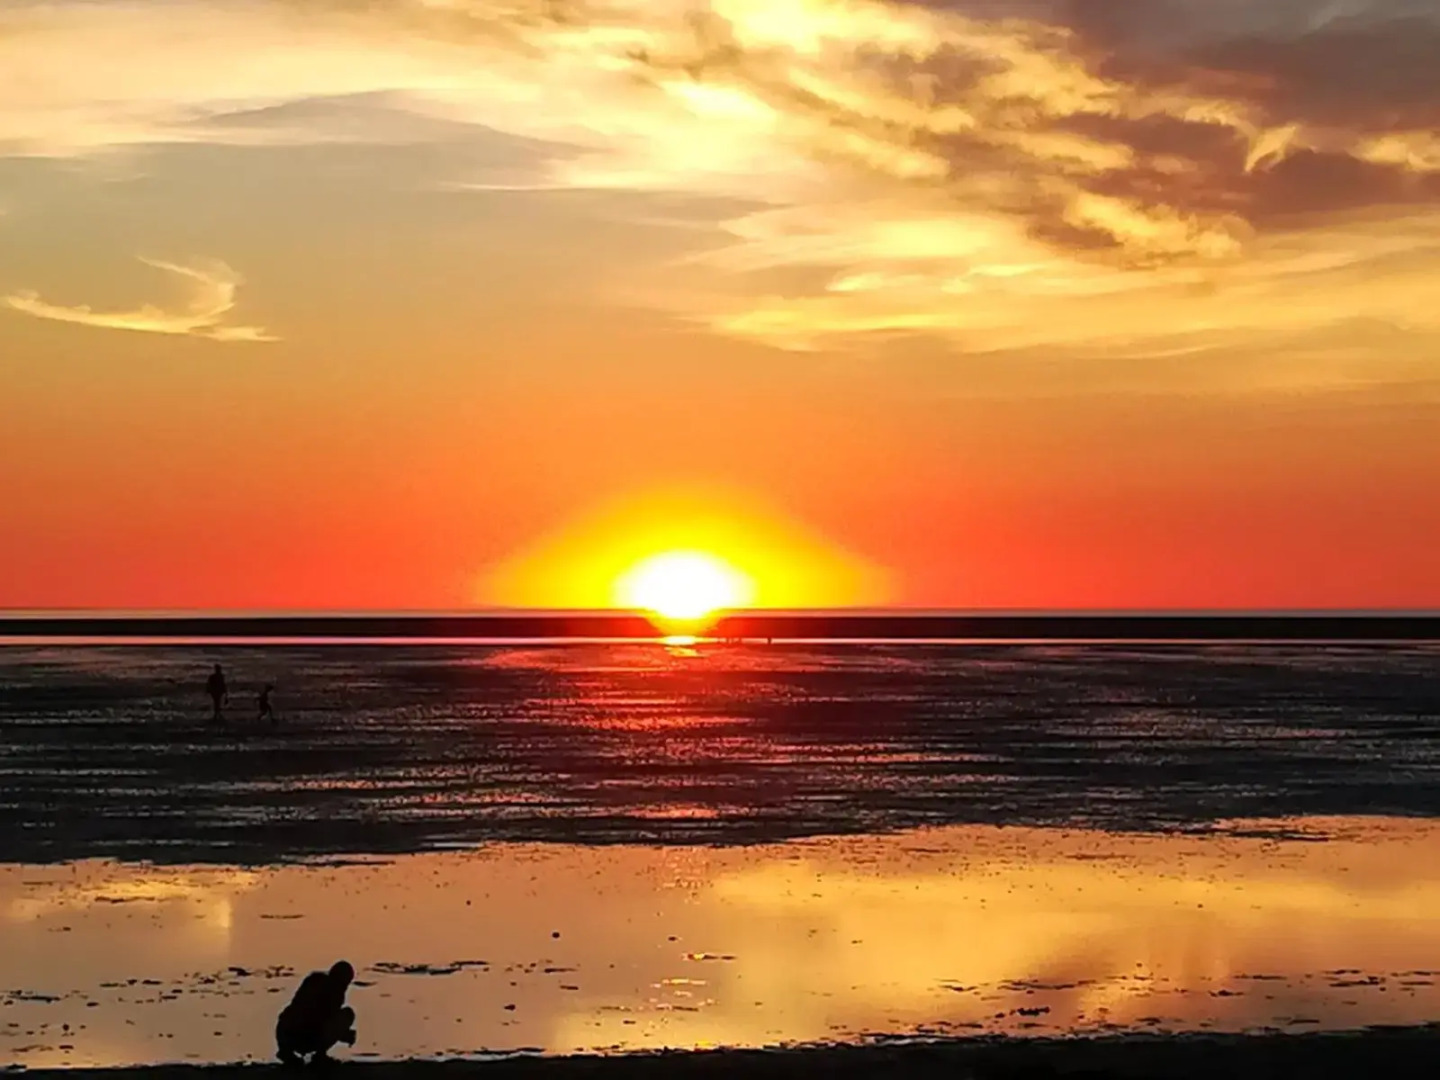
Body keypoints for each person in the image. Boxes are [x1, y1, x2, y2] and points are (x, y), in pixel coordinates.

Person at [276, 960, 357, 1066]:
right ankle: (320, 1055)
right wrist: (343, 1034)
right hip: (305, 1035)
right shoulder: (335, 993)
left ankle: (286, 1051)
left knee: (290, 1018)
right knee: (348, 1014)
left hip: (284, 1033)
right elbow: (319, 1021)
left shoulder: (313, 980)